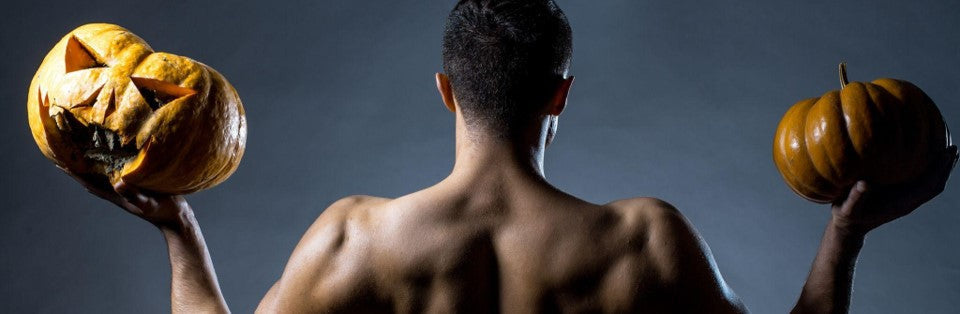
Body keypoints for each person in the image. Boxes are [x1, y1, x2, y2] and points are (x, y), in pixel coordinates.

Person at [65, 0, 958, 313]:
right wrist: (849, 234)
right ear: (561, 94)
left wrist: (180, 233)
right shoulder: (643, 244)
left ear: (447, 91)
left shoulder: (357, 242)